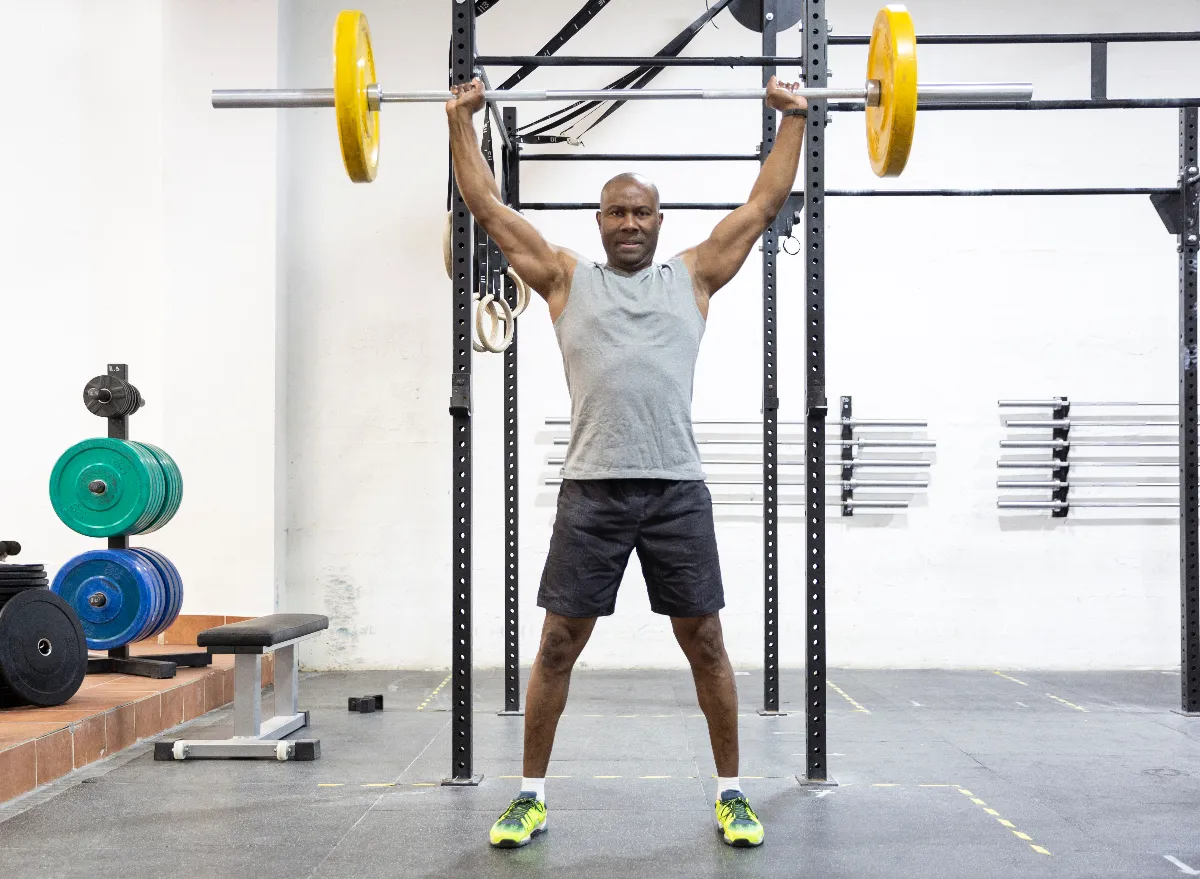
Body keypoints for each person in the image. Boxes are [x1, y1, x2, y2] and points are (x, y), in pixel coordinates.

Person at [446, 75, 808, 849]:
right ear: (601, 220)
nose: (632, 223)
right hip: (593, 492)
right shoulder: (566, 277)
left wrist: (796, 120)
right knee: (556, 645)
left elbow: (761, 208)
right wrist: (459, 124)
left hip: (676, 489)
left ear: (658, 219)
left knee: (705, 641)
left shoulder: (695, 275)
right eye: (619, 211)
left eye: (643, 211)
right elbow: (489, 211)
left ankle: (731, 793)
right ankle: (530, 795)